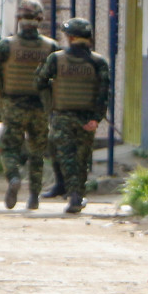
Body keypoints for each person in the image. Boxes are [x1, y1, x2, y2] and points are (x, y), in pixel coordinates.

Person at [0, 0, 58, 210]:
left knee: (8, 147)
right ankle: (34, 195)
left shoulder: (5, 46)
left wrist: (2, 95)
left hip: (14, 104)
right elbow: (58, 76)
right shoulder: (51, 47)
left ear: (19, 19)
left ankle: (14, 178)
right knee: (37, 151)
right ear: (39, 20)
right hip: (40, 107)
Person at [35, 18, 111, 215]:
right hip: (87, 117)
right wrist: (97, 118)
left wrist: (50, 101)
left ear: (70, 37)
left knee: (65, 155)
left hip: (62, 115)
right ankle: (76, 193)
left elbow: (40, 80)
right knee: (81, 158)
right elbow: (104, 93)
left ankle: (73, 195)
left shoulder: (56, 59)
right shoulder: (98, 61)